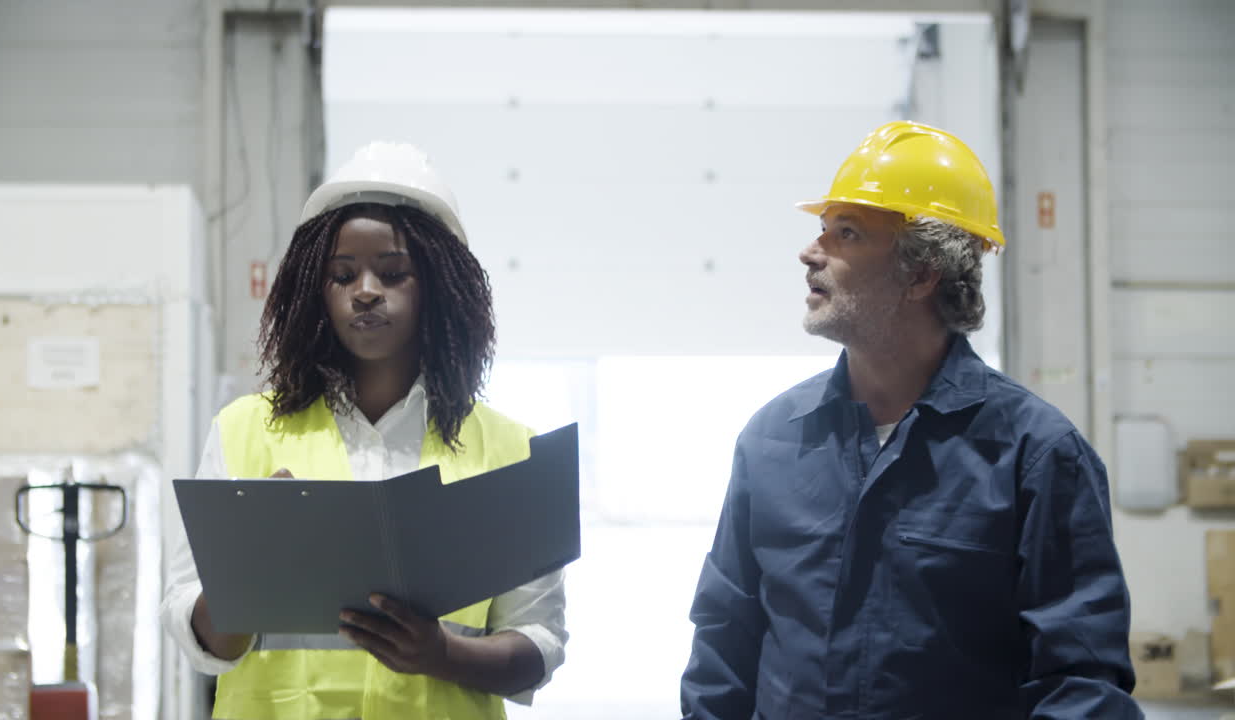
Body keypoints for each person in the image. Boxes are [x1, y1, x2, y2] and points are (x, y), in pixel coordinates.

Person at [680, 121, 1141, 719]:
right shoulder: (773, 438)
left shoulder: (1033, 453)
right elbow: (724, 639)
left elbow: (1081, 682)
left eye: (847, 233)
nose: (810, 251)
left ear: (922, 273)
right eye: (822, 229)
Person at [161, 142, 567, 719]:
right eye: (342, 275)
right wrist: (246, 575)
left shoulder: (511, 453)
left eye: (394, 272)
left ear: (439, 288)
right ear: (314, 292)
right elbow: (197, 637)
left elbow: (541, 646)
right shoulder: (244, 430)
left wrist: (441, 653)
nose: (366, 289)